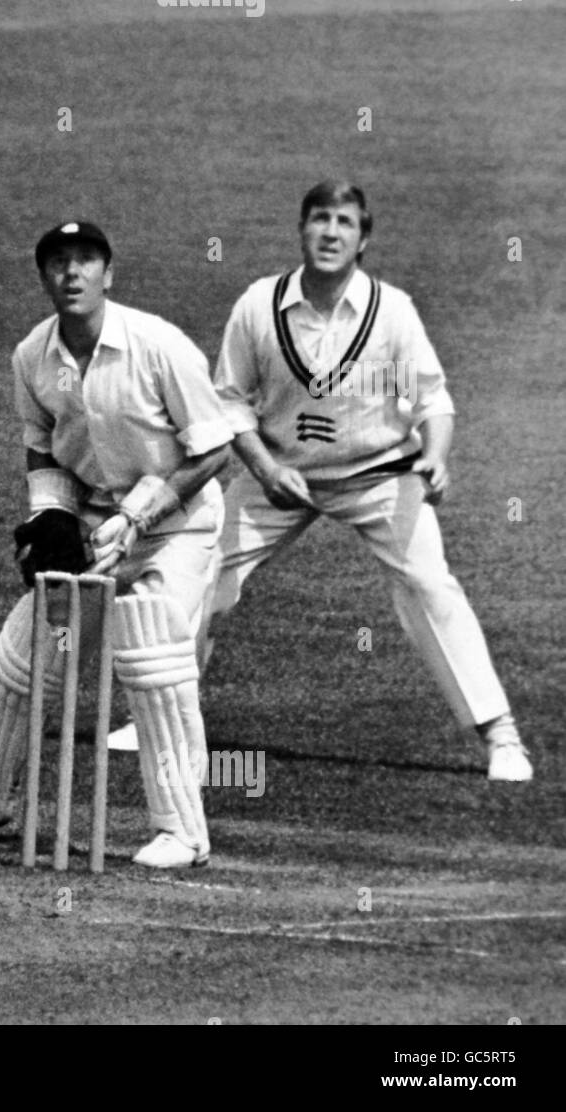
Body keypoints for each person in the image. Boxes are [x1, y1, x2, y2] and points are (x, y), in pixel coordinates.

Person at [0, 221, 234, 868]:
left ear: (109, 273)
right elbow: (40, 442)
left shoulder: (158, 346)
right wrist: (50, 515)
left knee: (151, 644)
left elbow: (214, 447)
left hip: (176, 525)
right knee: (26, 651)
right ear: (44, 276)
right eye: (58, 263)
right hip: (92, 523)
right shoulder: (32, 355)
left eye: (85, 261)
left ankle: (184, 831)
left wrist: (141, 513)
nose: (72, 273)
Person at [204, 180, 531, 782]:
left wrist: (435, 456)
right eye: (320, 219)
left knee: (430, 585)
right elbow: (228, 402)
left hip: (380, 475)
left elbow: (431, 400)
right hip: (281, 475)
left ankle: (500, 737)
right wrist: (265, 469)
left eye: (345, 223)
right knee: (200, 572)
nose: (331, 232)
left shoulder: (393, 312)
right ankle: (162, 715)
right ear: (301, 229)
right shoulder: (258, 304)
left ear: (363, 239)